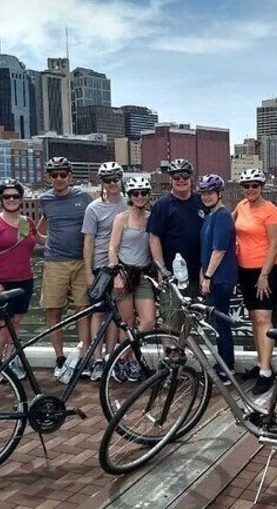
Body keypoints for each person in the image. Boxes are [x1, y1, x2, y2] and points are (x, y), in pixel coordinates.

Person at [0, 179, 42, 381]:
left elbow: (41, 239)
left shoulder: (27, 222)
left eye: (16, 196)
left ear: (21, 198)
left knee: (15, 324)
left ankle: (10, 362)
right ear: (1, 199)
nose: (12, 199)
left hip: (24, 280)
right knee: (1, 326)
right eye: (7, 196)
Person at [37, 156, 93, 378]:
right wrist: (43, 240)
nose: (59, 179)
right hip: (54, 261)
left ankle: (85, 355)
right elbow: (40, 226)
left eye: (63, 175)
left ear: (70, 177)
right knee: (53, 309)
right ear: (49, 178)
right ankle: (59, 357)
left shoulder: (84, 197)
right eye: (54, 175)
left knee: (83, 310)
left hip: (81, 262)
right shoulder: (45, 200)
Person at [233, 168, 277, 396]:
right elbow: (229, 225)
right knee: (254, 318)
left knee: (264, 318)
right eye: (246, 186)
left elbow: (274, 244)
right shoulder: (241, 207)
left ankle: (266, 371)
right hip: (245, 269)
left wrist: (264, 274)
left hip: (267, 271)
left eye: (255, 185)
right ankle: (261, 361)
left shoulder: (270, 210)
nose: (250, 189)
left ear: (261, 186)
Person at [80, 161, 128, 383]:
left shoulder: (129, 204)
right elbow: (88, 241)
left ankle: (110, 356)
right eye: (107, 180)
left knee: (114, 314)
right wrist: (89, 273)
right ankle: (97, 359)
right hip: (100, 266)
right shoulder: (94, 208)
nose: (112, 184)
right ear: (102, 183)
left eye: (115, 179)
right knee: (98, 313)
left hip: (122, 267)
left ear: (121, 180)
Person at [107, 176, 158, 383]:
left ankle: (131, 353)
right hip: (124, 273)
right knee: (126, 322)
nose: (140, 197)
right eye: (135, 193)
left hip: (144, 274)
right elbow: (112, 247)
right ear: (130, 196)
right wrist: (116, 273)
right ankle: (125, 360)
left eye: (143, 193)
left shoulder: (151, 217)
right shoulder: (122, 218)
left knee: (148, 320)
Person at [147, 158, 206, 327]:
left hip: (197, 274)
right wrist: (161, 270)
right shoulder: (162, 205)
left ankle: (182, 353)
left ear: (191, 179)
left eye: (185, 176)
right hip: (172, 276)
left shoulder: (201, 201)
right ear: (171, 180)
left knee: (191, 320)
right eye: (176, 176)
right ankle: (170, 353)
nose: (181, 180)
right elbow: (154, 238)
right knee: (171, 319)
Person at [198, 174, 238, 384]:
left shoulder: (222, 216)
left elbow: (219, 250)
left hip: (221, 279)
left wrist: (207, 276)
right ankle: (223, 363)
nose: (206, 197)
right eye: (204, 193)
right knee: (217, 324)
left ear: (219, 193)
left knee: (221, 324)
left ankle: (226, 368)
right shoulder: (210, 216)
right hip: (213, 276)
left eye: (210, 192)